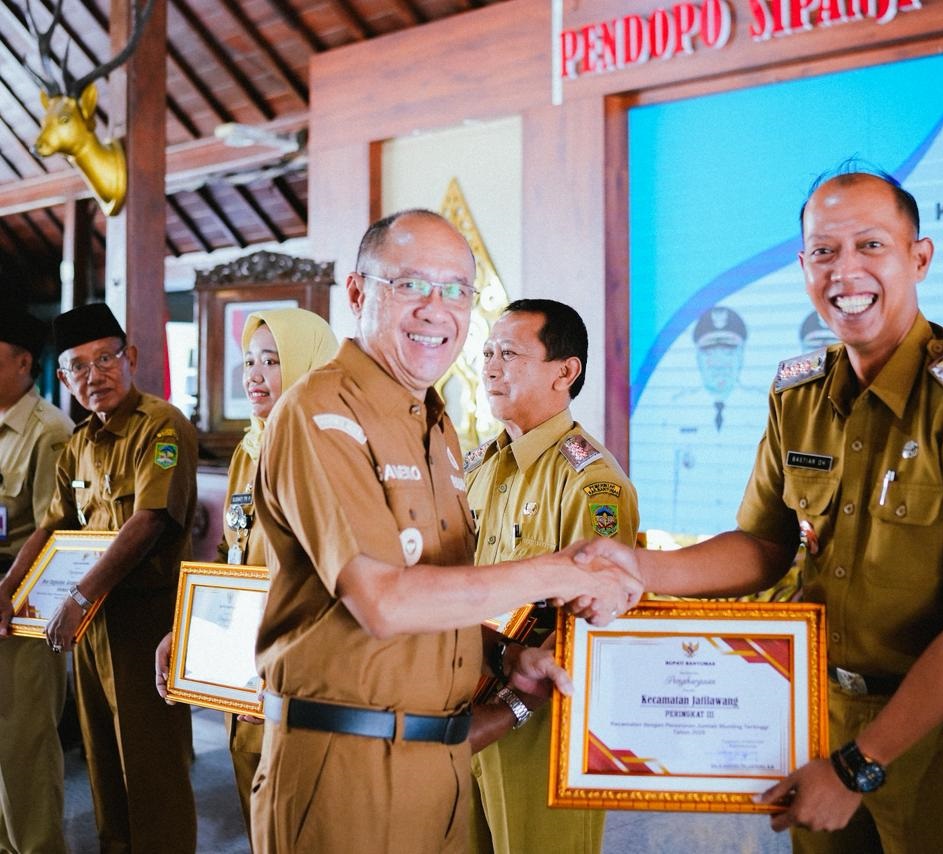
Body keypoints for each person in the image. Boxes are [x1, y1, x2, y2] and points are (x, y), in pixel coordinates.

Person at [576, 170, 943, 853]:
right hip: (819, 714)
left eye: (870, 245)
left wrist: (858, 766)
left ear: (919, 258)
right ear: (802, 266)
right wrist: (637, 566)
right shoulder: (798, 396)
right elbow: (763, 547)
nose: (845, 271)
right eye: (824, 251)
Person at [249, 209, 642, 853]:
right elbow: (383, 598)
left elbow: (447, 597)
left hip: (447, 755)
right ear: (357, 293)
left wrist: (510, 664)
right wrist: (562, 569)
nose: (438, 310)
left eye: (458, 291)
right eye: (411, 285)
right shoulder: (322, 410)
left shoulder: (436, 430)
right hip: (348, 769)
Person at [0, 302, 199, 853]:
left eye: (106, 358)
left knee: (152, 767)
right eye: (79, 367)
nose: (95, 375)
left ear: (129, 358)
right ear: (63, 378)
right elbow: (52, 526)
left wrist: (82, 593)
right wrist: (8, 587)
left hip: (147, 625)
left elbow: (150, 520)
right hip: (91, 628)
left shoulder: (162, 425)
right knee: (103, 762)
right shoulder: (80, 445)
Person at [464, 299, 639, 854]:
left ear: (566, 372)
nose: (489, 367)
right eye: (488, 352)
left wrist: (511, 708)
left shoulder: (591, 483)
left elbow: (593, 627)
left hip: (540, 725)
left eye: (510, 354)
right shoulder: (478, 467)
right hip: (463, 705)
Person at [154, 307, 337, 836]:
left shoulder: (324, 454)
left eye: (272, 361)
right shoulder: (249, 448)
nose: (253, 375)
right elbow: (230, 558)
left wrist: (281, 671)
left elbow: (333, 583)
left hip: (294, 681)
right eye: (248, 361)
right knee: (257, 817)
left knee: (302, 826)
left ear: (308, 364)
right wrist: (187, 634)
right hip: (241, 671)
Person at [0, 310, 74, 854]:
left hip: (22, 607)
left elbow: (57, 529)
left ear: (25, 362)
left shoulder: (49, 431)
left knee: (23, 746)